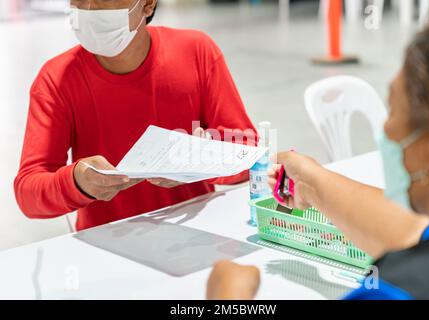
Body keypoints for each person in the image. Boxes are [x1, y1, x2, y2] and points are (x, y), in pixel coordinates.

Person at [207, 18, 429, 300]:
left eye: (393, 109)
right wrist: (310, 182)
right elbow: (413, 231)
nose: (386, 128)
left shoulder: (397, 291)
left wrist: (228, 294)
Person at [14, 0, 256, 231]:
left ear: (147, 4)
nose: (89, 9)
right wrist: (76, 182)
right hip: (106, 244)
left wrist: (205, 161)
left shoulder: (196, 52)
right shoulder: (56, 79)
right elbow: (28, 192)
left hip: (196, 233)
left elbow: (251, 153)